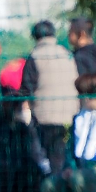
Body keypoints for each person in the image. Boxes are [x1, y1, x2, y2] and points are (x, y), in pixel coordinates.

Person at [18, 20, 79, 178]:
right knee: (64, 156)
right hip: (70, 114)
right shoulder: (67, 54)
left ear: (35, 36)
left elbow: (26, 89)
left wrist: (25, 112)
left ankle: (52, 186)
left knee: (49, 159)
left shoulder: (35, 56)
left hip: (45, 117)